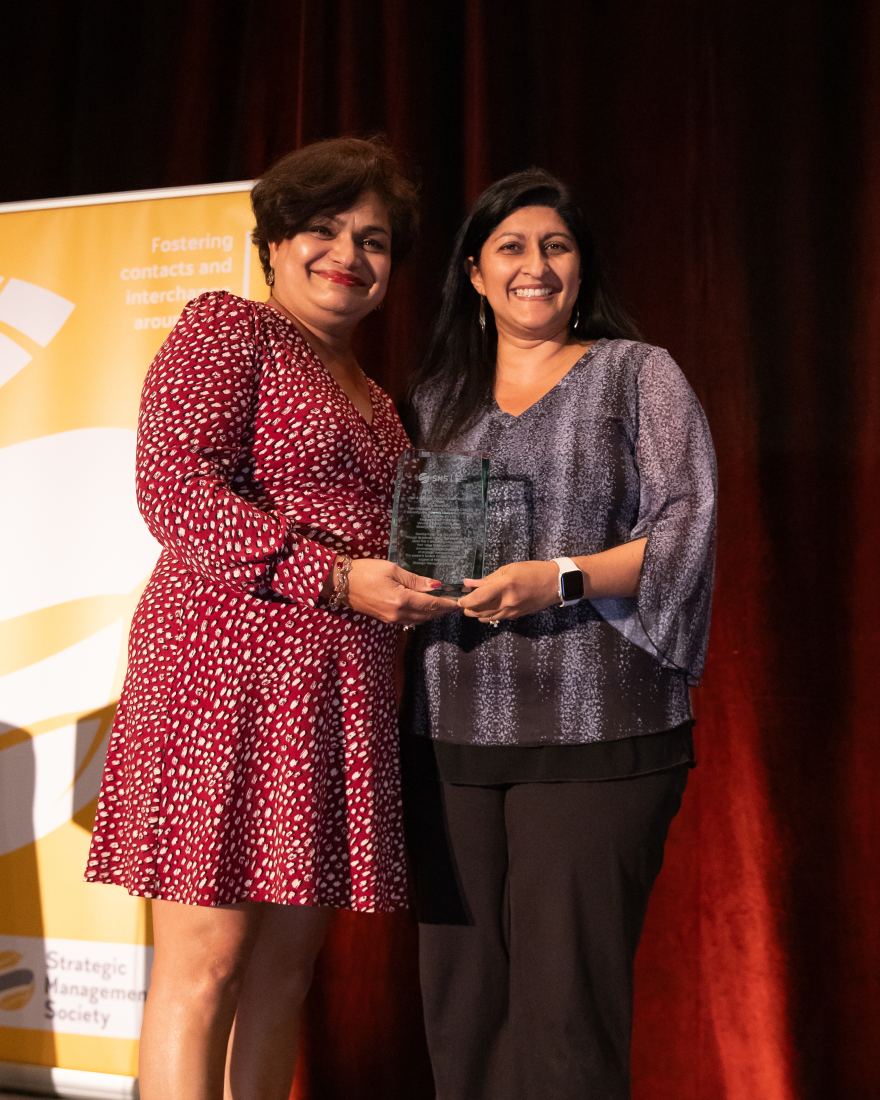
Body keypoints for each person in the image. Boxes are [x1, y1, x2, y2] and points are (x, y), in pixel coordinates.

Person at [85, 136, 455, 1100]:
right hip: (223, 674)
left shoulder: (379, 401)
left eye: (373, 240)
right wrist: (332, 579)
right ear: (275, 242)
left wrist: (431, 587)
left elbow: (396, 537)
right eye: (323, 230)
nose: (349, 254)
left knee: (286, 972)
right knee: (204, 966)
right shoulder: (226, 329)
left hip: (337, 691)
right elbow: (174, 492)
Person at [400, 168, 717, 1100]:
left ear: (580, 267)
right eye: (512, 246)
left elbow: (685, 533)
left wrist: (562, 578)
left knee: (564, 1021)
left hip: (598, 732)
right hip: (446, 735)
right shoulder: (433, 397)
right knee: (459, 1012)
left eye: (557, 246)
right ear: (472, 271)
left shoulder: (637, 372)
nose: (535, 266)